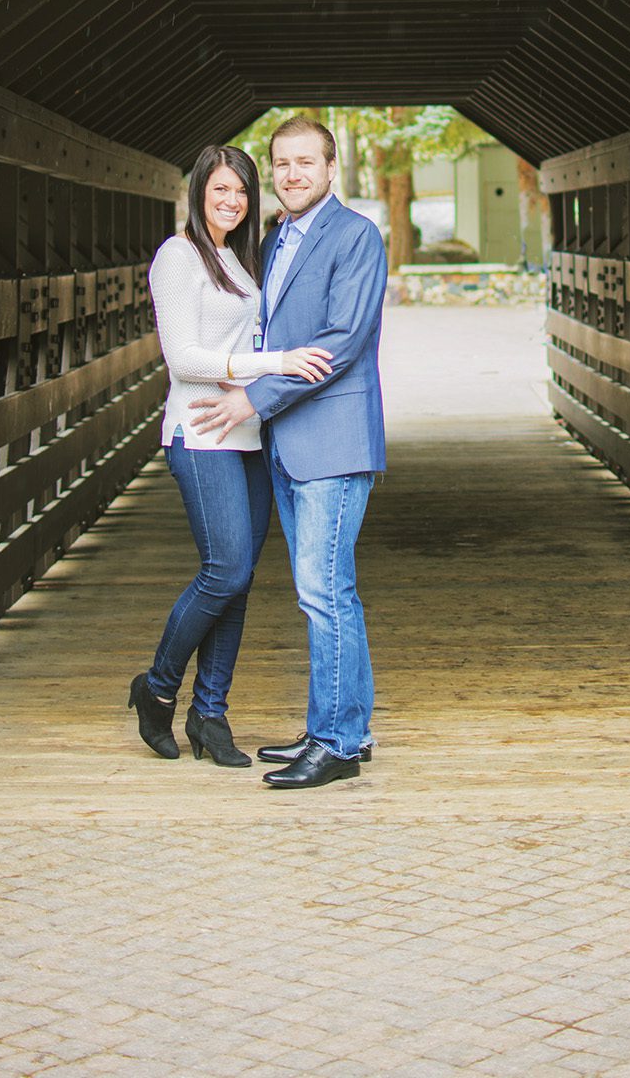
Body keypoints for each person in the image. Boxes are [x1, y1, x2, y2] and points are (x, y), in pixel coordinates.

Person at [190, 117, 388, 791]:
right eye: (282, 163)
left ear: (333, 169)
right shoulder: (274, 241)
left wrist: (253, 400)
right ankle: (341, 729)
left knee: (323, 590)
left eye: (307, 162)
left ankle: (334, 743)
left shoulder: (356, 236)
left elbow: (342, 340)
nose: (293, 173)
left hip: (331, 439)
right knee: (329, 592)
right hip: (287, 445)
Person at [128, 144, 332, 766]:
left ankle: (210, 715)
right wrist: (275, 365)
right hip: (200, 432)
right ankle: (158, 689)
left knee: (238, 583)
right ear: (197, 192)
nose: (231, 201)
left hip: (249, 436)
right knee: (226, 568)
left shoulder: (240, 259)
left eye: (241, 191)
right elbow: (184, 359)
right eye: (219, 190)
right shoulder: (178, 256)